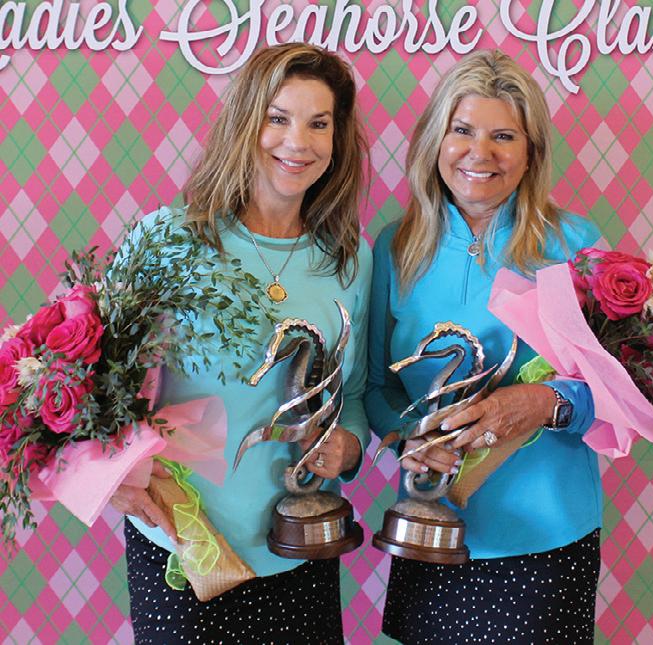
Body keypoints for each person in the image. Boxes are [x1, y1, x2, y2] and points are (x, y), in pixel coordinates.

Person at [110, 43, 371, 644]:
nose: (297, 142)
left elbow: (353, 393)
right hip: (184, 545)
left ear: (337, 139)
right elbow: (99, 386)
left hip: (301, 548)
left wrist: (349, 446)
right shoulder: (166, 240)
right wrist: (114, 473)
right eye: (278, 118)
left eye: (319, 124)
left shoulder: (348, 261)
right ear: (245, 122)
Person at [365, 50, 602, 644]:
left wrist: (542, 404)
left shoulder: (574, 244)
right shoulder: (394, 248)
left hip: (547, 535)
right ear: (435, 141)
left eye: (504, 136)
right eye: (463, 130)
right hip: (428, 529)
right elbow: (374, 388)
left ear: (531, 152)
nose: (480, 153)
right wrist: (408, 437)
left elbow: (617, 393)